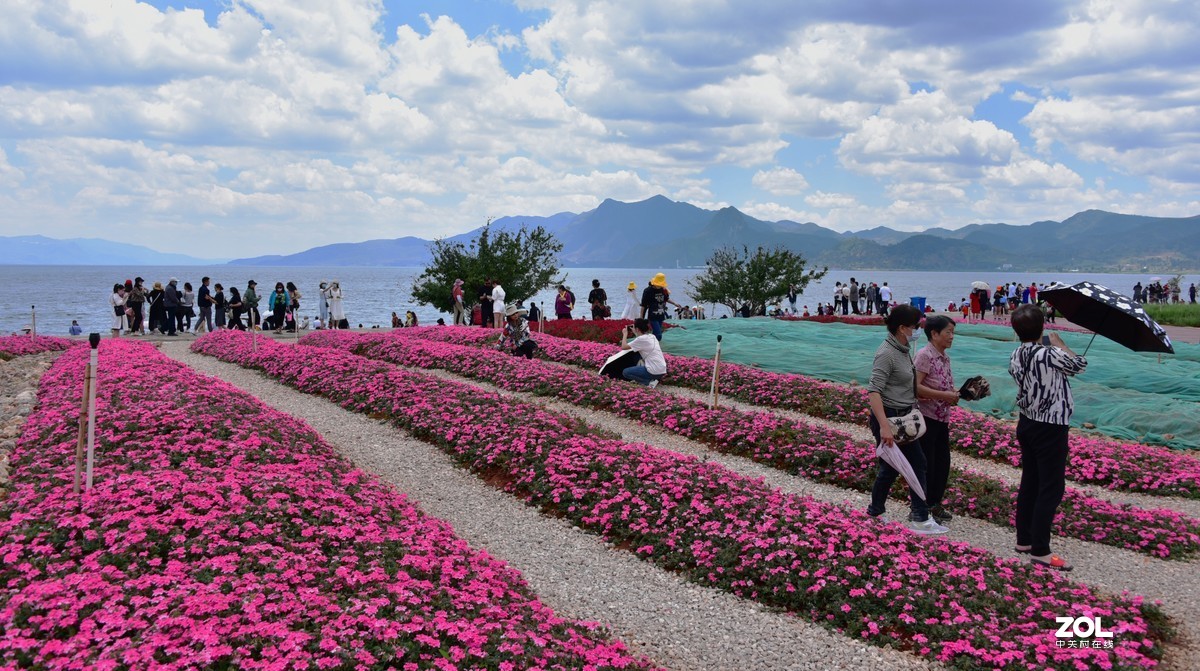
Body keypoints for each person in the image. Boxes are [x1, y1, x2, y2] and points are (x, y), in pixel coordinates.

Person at [1008, 304, 1087, 571]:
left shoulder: (1017, 353)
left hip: (1027, 422)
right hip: (1051, 425)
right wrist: (1061, 344)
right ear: (1042, 326)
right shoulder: (1050, 353)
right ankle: (1041, 550)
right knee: (1051, 487)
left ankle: (1024, 539)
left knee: (1030, 480)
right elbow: (1079, 365)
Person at [865, 304, 947, 536]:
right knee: (916, 464)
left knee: (892, 468)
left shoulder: (902, 348)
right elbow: (874, 391)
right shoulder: (887, 353)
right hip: (890, 418)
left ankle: (876, 512)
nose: (919, 330)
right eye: (915, 326)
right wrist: (884, 427)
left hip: (903, 416)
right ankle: (919, 518)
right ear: (902, 328)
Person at [914, 315, 961, 525]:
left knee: (942, 463)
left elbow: (942, 385)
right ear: (934, 334)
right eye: (948, 332)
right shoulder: (925, 355)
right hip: (927, 417)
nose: (951, 337)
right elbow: (915, 387)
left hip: (942, 418)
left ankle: (934, 503)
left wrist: (954, 394)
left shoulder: (944, 357)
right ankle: (920, 507)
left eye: (953, 332)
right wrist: (944, 396)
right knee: (927, 464)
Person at [619, 318, 666, 387]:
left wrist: (625, 334)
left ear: (637, 329)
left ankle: (648, 382)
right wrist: (636, 332)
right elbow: (640, 340)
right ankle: (655, 379)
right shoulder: (652, 336)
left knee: (626, 372)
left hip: (653, 371)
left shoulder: (640, 339)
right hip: (661, 370)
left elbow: (624, 347)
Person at [640, 273, 679, 340]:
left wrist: (674, 303)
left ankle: (653, 346)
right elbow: (643, 305)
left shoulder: (662, 289)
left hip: (661, 315)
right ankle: (653, 345)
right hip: (653, 316)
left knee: (656, 333)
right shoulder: (648, 291)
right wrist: (641, 317)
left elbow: (666, 299)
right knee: (658, 335)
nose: (660, 286)